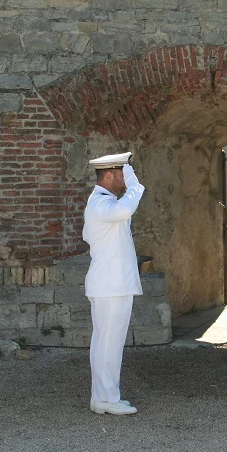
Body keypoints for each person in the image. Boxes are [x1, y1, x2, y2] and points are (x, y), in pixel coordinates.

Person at [82, 152, 145, 416]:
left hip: (112, 284)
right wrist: (136, 186)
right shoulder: (101, 203)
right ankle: (106, 398)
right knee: (108, 343)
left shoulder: (106, 202)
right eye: (121, 173)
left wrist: (129, 178)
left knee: (107, 343)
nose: (125, 180)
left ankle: (103, 397)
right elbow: (125, 208)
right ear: (109, 175)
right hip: (110, 285)